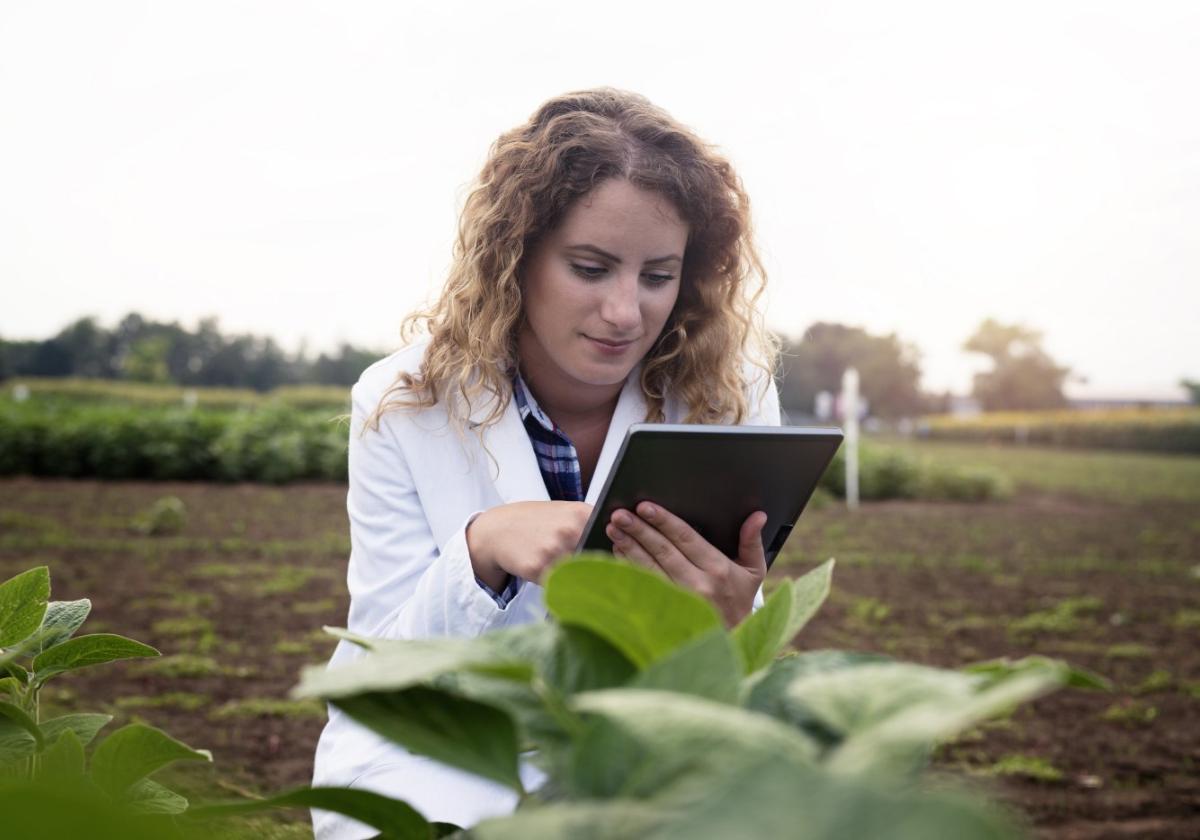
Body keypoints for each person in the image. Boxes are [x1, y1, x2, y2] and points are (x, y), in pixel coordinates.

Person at [311, 87, 781, 839]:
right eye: (591, 268)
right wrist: (481, 549)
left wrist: (730, 621)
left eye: (657, 276)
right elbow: (381, 672)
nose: (626, 312)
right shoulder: (402, 403)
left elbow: (731, 647)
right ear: (516, 256)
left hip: (641, 747)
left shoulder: (730, 393)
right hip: (444, 755)